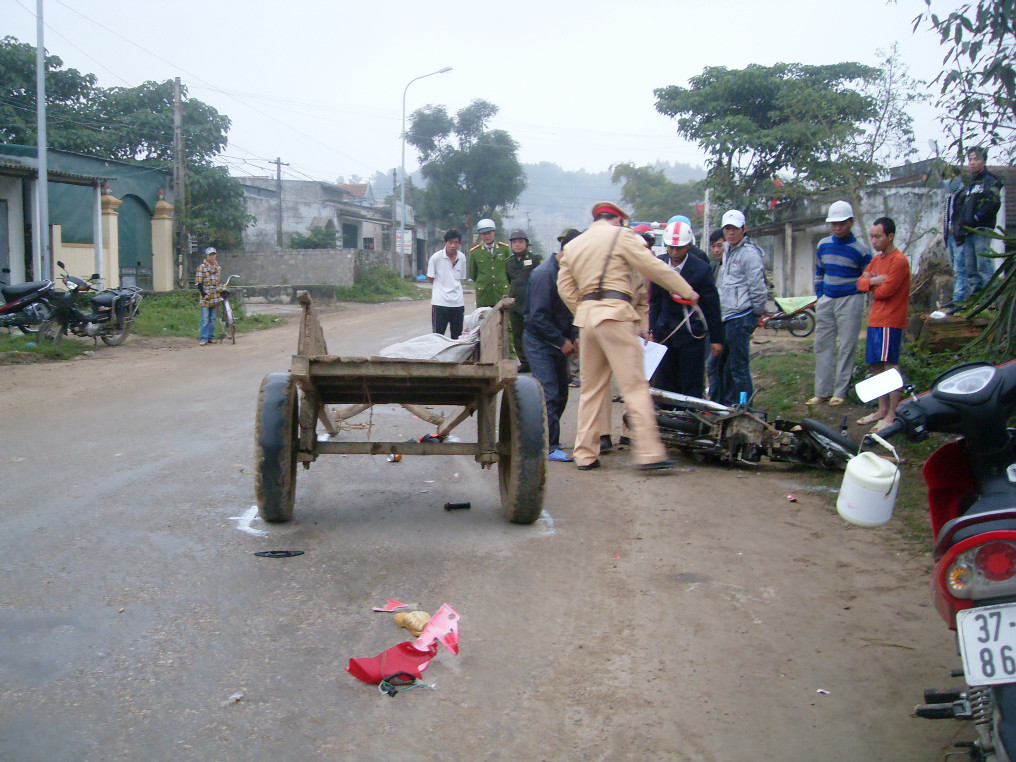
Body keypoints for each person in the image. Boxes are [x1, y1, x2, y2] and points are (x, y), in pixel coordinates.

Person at [557, 201, 699, 472]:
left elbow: (564, 287)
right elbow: (653, 267)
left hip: (587, 321)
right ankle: (649, 453)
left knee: (590, 390)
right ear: (618, 220)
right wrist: (686, 291)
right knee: (634, 385)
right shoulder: (621, 236)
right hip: (616, 315)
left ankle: (585, 454)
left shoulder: (574, 245)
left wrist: (585, 309)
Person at [807, 200, 872, 407]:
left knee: (847, 345)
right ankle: (822, 391)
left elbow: (867, 276)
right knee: (822, 345)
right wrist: (820, 295)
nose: (837, 227)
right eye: (834, 223)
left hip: (850, 300)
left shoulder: (860, 249)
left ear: (851, 222)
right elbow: (819, 271)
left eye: (842, 223)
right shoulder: (823, 245)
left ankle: (840, 391)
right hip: (827, 298)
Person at [648, 221, 723, 398]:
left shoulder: (702, 270)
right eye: (671, 247)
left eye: (679, 248)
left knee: (691, 381)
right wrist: (652, 330)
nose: (674, 252)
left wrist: (716, 339)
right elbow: (655, 301)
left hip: (692, 335)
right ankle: (667, 420)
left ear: (689, 246)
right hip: (665, 334)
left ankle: (689, 420)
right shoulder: (659, 265)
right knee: (665, 382)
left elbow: (712, 307)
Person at [524, 242, 579, 462]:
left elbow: (574, 309)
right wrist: (560, 340)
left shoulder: (571, 274)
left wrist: (574, 336)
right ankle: (548, 444)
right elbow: (537, 317)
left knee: (563, 393)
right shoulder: (543, 275)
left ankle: (549, 438)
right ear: (565, 252)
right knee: (549, 392)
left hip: (560, 340)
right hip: (539, 341)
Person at [855, 217, 911, 433]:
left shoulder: (899, 261)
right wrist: (876, 280)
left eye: (878, 236)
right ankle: (881, 409)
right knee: (876, 365)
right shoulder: (877, 260)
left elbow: (887, 292)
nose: (874, 240)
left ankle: (892, 414)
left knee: (889, 366)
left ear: (890, 236)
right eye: (872, 236)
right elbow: (860, 283)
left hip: (891, 320)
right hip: (876, 319)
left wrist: (872, 283)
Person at [713, 210, 767, 406]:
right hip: (726, 317)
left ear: (744, 229)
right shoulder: (727, 250)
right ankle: (725, 404)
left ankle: (745, 407)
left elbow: (758, 287)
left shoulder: (750, 254)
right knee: (722, 366)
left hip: (740, 316)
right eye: (727, 228)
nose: (731, 233)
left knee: (739, 367)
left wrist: (756, 314)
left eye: (735, 229)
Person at [951, 146, 1001, 303]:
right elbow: (960, 207)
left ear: (984, 161)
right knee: (971, 269)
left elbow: (993, 203)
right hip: (967, 231)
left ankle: (991, 301)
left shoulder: (992, 180)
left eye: (976, 159)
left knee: (984, 264)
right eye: (970, 159)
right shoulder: (968, 183)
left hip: (982, 229)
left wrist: (978, 218)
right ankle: (976, 300)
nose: (972, 163)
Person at [504, 228, 542, 372]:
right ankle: (525, 362)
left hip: (531, 304)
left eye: (520, 242)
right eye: (514, 242)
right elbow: (510, 280)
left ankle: (536, 362)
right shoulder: (508, 262)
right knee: (517, 335)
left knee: (533, 334)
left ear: (526, 243)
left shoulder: (535, 259)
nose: (517, 245)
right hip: (515, 303)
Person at [426, 230, 467, 338]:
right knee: (438, 337)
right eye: (450, 242)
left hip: (457, 303)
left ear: (459, 243)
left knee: (457, 337)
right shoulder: (436, 258)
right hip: (440, 303)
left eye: (456, 242)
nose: (453, 245)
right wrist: (440, 288)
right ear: (445, 242)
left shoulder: (462, 258)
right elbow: (430, 277)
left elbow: (461, 278)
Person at [467, 218, 511, 308]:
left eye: (489, 233)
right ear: (480, 235)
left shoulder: (504, 249)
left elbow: (509, 269)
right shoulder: (475, 252)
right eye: (483, 234)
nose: (486, 236)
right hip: (484, 294)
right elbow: (472, 274)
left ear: (494, 232)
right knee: (485, 320)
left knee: (504, 319)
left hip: (502, 292)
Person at [941, 165, 966, 310]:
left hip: (958, 237)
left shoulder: (963, 194)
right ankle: (957, 298)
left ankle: (959, 300)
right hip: (949, 236)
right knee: (955, 269)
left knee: (960, 269)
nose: (947, 181)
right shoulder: (950, 195)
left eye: (950, 178)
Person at [195, 246, 223, 346]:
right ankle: (203, 337)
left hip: (215, 295)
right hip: (206, 296)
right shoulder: (201, 268)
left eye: (213, 255)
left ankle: (211, 336)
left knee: (212, 318)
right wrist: (203, 294)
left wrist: (222, 289)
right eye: (210, 255)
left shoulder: (218, 267)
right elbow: (198, 283)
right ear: (207, 256)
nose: (212, 257)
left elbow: (218, 282)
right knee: (205, 318)